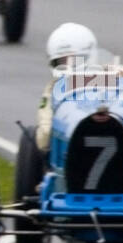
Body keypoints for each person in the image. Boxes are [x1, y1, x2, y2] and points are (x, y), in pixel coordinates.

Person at [35, 22, 98, 155]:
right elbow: (44, 138)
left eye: (73, 60)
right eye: (62, 62)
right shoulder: (53, 88)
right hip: (70, 147)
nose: (67, 66)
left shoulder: (112, 74)